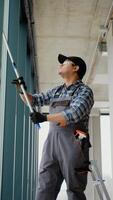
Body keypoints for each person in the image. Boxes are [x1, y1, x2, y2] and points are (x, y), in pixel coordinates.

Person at [12, 54, 94, 200]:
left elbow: (73, 114)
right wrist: (21, 89)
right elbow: (35, 100)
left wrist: (45, 118)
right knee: (44, 186)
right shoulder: (57, 91)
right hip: (53, 143)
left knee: (75, 189)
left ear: (75, 68)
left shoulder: (84, 91)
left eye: (65, 62)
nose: (60, 64)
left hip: (76, 141)